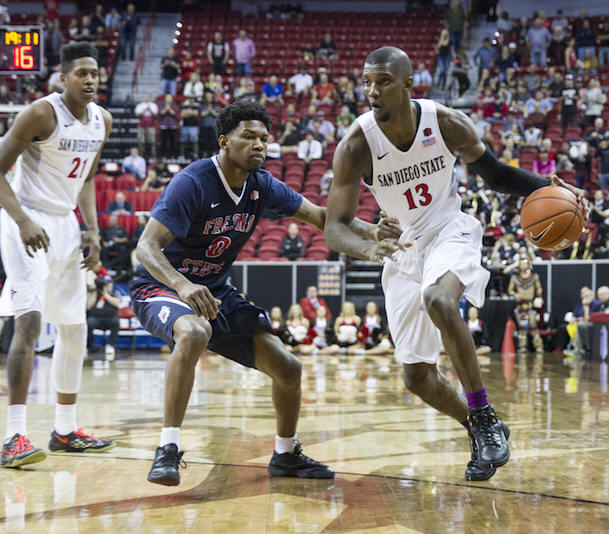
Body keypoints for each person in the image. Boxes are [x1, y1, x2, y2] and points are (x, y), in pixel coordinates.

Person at [324, 46, 585, 481]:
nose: (371, 91)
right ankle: (479, 428)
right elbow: (336, 226)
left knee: (439, 301)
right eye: (366, 82)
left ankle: (483, 416)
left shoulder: (444, 123)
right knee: (417, 378)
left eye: (383, 82)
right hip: (403, 247)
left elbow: (498, 175)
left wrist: (552, 188)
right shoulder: (355, 145)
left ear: (408, 86)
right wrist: (370, 247)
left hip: (449, 228)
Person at [129, 100, 399, 485]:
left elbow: (321, 216)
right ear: (224, 141)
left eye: (264, 138)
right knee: (192, 332)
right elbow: (146, 247)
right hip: (162, 285)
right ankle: (167, 448)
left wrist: (372, 231)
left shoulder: (261, 184)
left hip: (215, 291)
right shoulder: (193, 181)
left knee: (288, 367)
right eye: (249, 137)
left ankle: (286, 455)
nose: (260, 145)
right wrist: (184, 285)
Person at [0, 43, 115, 469]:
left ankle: (65, 430)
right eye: (81, 73)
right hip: (24, 219)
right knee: (28, 321)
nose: (90, 80)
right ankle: (13, 436)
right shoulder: (40, 113)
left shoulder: (101, 119)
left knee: (74, 328)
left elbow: (86, 180)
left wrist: (93, 230)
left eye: (95, 74)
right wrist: (21, 220)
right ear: (62, 78)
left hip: (66, 224)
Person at [86, 273, 120, 360]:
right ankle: (90, 346)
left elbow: (117, 303)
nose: (107, 285)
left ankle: (111, 345)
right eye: (105, 283)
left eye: (109, 283)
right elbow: (88, 306)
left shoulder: (115, 292)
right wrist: (96, 292)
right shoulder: (95, 293)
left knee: (116, 322)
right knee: (89, 322)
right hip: (96, 318)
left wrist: (105, 294)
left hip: (110, 318)